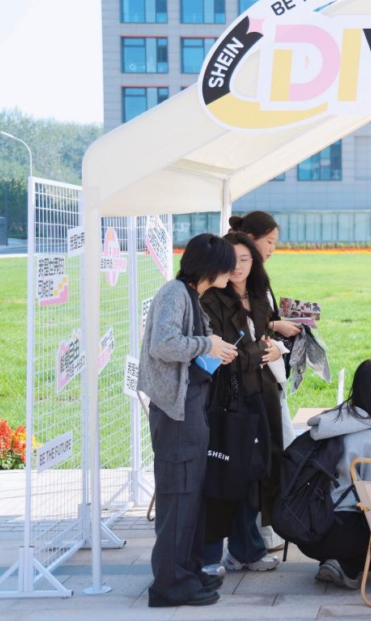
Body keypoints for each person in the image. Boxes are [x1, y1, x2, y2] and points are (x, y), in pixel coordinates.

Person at [138, 233, 239, 608]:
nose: (232, 272)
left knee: (190, 496)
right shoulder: (175, 293)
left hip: (190, 407)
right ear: (211, 266)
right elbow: (163, 345)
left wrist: (216, 350)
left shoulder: (190, 296)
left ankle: (187, 572)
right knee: (178, 497)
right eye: (227, 266)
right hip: (175, 412)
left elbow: (188, 347)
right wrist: (208, 345)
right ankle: (170, 584)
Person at [200, 232, 285, 574]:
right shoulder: (211, 299)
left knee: (256, 473)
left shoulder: (260, 293)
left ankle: (246, 549)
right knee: (226, 474)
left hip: (262, 394)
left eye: (245, 259)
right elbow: (223, 353)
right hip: (228, 398)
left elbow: (267, 337)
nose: (238, 267)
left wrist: (276, 348)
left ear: (255, 261)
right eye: (232, 260)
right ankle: (213, 555)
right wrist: (262, 350)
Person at [228, 211, 301, 553]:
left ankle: (266, 532)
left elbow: (258, 326)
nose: (272, 249)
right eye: (269, 242)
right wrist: (272, 336)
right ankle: (256, 537)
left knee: (275, 452)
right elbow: (239, 336)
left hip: (265, 379)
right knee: (260, 457)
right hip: (245, 386)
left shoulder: (257, 283)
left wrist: (274, 333)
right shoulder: (222, 292)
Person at [297, 359, 371, 589]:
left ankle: (332, 560)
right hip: (339, 531)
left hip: (304, 525)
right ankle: (347, 565)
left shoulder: (332, 421)